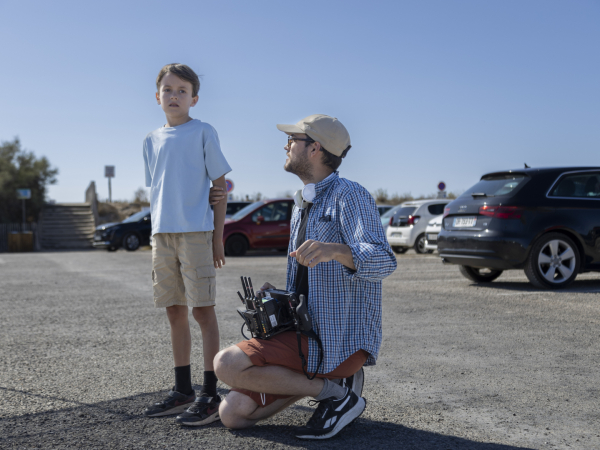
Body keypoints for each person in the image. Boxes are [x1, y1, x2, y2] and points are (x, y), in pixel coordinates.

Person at [211, 114, 397, 439]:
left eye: (293, 139)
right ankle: (329, 387)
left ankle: (336, 395)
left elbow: (384, 260)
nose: (286, 145)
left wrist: (334, 250)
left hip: (335, 342)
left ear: (314, 148)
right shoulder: (302, 203)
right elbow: (314, 283)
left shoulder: (350, 195)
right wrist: (281, 294)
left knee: (226, 364)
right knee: (233, 414)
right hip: (302, 333)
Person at [142, 63, 231, 427]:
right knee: (174, 311)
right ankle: (183, 391)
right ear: (157, 96)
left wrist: (217, 238)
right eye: (168, 89)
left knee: (202, 312)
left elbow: (220, 189)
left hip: (196, 233)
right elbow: (157, 188)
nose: (174, 95)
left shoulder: (203, 132)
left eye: (182, 90)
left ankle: (211, 392)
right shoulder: (150, 140)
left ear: (194, 98)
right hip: (161, 235)